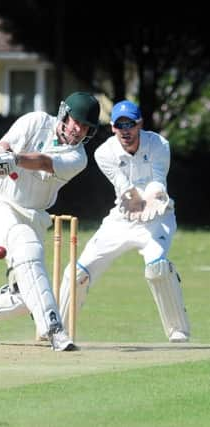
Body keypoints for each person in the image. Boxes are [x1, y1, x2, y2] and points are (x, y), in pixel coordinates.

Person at [0, 92, 101, 351]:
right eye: (76, 122)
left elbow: (45, 162)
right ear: (65, 114)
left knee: (30, 294)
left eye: (86, 127)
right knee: (28, 248)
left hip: (34, 217)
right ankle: (54, 330)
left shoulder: (78, 158)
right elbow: (4, 145)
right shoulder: (35, 121)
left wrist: (15, 160)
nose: (78, 130)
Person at [55, 100, 189, 342]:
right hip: (122, 217)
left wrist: (155, 195)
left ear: (140, 124)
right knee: (77, 272)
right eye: (120, 125)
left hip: (157, 216)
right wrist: (132, 200)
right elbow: (122, 185)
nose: (126, 131)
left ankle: (177, 329)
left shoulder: (159, 144)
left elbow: (158, 178)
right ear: (113, 128)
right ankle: (58, 329)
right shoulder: (103, 153)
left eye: (130, 124)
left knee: (156, 266)